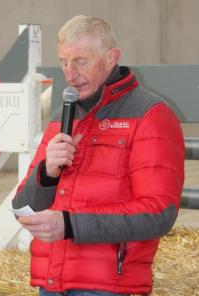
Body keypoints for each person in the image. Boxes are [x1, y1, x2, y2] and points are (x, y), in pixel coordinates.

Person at [12, 15, 185, 296]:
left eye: (81, 61)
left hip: (109, 286)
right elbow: (22, 208)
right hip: (51, 283)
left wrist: (69, 224)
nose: (70, 73)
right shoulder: (60, 118)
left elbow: (159, 213)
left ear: (111, 57)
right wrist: (46, 173)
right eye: (64, 62)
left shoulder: (151, 116)